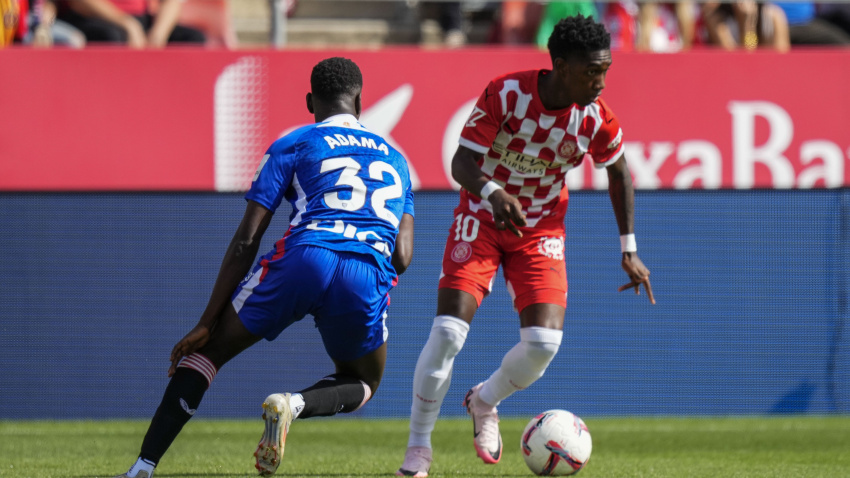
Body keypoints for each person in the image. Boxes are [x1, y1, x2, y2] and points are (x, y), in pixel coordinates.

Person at [113, 57, 415, 478]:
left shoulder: (294, 143)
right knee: (365, 382)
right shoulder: (397, 161)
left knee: (209, 353)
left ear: (311, 101)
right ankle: (294, 405)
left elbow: (247, 239)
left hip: (305, 257)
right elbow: (402, 256)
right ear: (360, 102)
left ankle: (142, 467)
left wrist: (208, 320)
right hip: (364, 271)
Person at [396, 14, 653, 478]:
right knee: (449, 333)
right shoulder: (507, 94)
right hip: (482, 216)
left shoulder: (595, 118)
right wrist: (494, 193)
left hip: (540, 230)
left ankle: (484, 401)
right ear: (558, 64)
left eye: (605, 70)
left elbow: (618, 171)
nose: (599, 82)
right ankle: (418, 450)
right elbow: (462, 162)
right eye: (590, 71)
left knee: (543, 342)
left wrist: (628, 248)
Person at [57, 0, 204, 48]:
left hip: (141, 20)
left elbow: (172, 3)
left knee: (192, 39)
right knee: (111, 37)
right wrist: (127, 24)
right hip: (94, 17)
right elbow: (79, 3)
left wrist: (159, 33)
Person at [701, 1, 790, 52]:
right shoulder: (717, 18)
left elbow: (780, 60)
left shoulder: (774, 16)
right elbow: (738, 62)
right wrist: (746, 26)